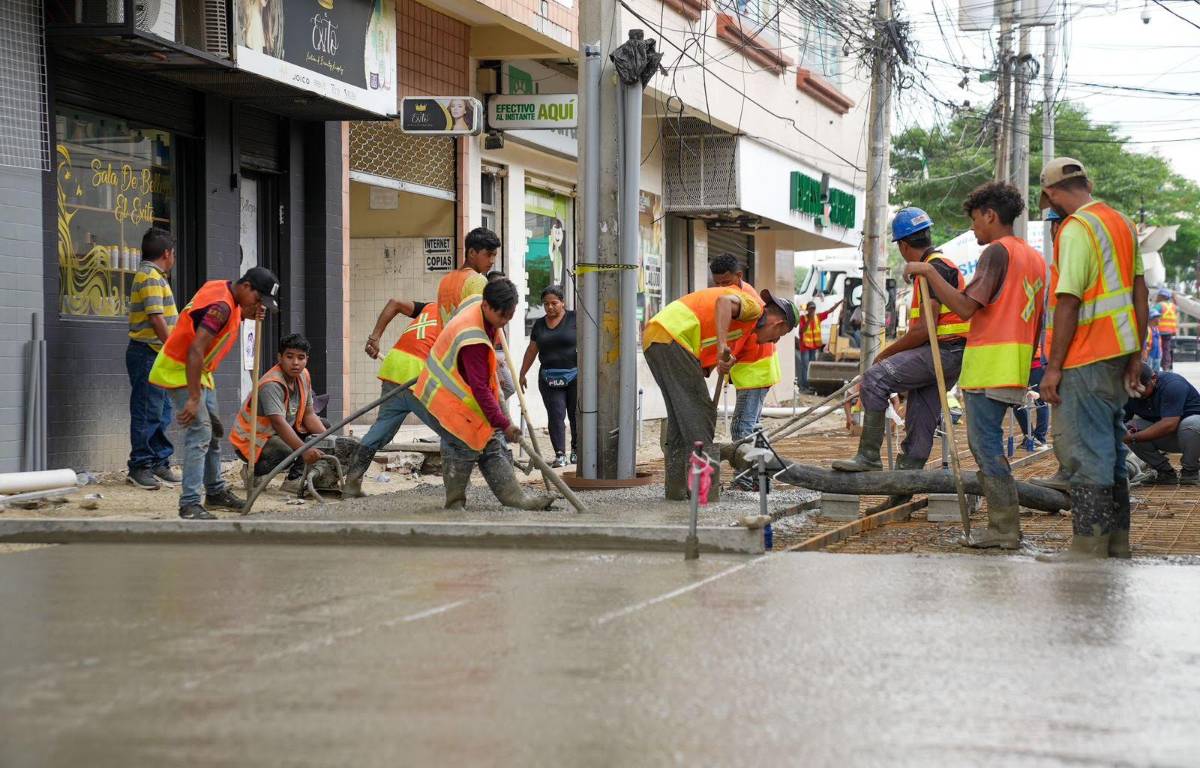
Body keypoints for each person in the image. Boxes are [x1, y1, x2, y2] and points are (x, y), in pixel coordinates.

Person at [905, 181, 1046, 549]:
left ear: (990, 215)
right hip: (1014, 365)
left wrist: (929, 273)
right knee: (991, 445)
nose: (973, 228)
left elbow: (966, 307)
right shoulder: (1032, 257)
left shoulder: (997, 253)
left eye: (975, 220)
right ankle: (1005, 527)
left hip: (990, 365)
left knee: (985, 447)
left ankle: (1003, 529)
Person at [1036, 157, 1148, 561]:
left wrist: (1053, 366)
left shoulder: (1076, 228)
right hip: (1117, 353)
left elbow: (1068, 299)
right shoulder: (1120, 223)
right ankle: (1116, 543)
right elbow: (1140, 292)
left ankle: (1088, 546)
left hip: (1085, 355)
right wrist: (1136, 353)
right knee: (1112, 451)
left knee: (1087, 450)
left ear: (1051, 194)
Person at [833, 206, 969, 514]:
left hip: (943, 351)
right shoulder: (940, 264)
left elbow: (926, 328)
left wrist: (885, 354)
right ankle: (902, 493)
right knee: (920, 422)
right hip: (950, 355)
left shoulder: (930, 268)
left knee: (877, 376)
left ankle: (868, 455)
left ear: (904, 245)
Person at [346, 235, 499, 496]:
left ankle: (352, 482)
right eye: (490, 255)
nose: (492, 261)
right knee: (451, 427)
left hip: (394, 370)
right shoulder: (460, 314)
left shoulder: (431, 307)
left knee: (381, 429)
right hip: (420, 374)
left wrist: (374, 337)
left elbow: (394, 302)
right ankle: (458, 486)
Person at [643, 285, 799, 501]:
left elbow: (705, 353)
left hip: (658, 338)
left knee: (680, 421)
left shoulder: (742, 330)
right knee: (701, 418)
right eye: (778, 336)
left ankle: (676, 491)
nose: (774, 341)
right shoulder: (755, 309)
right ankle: (705, 495)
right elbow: (724, 302)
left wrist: (719, 362)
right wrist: (722, 347)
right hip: (673, 338)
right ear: (778, 323)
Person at [149, 267, 278, 519]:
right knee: (200, 432)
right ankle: (189, 503)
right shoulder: (221, 307)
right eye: (258, 299)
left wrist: (248, 312)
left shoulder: (226, 293)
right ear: (247, 287)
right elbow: (195, 349)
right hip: (181, 369)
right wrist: (194, 397)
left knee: (213, 434)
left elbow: (225, 320)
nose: (257, 305)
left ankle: (215, 491)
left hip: (199, 371)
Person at [413, 277, 553, 510]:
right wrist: (503, 422)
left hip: (466, 392)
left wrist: (499, 421)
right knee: (462, 446)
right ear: (487, 306)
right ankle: (455, 504)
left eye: (509, 317)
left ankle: (516, 498)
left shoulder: (477, 301)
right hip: (448, 398)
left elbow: (482, 385)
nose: (504, 323)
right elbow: (478, 388)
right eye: (501, 317)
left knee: (492, 446)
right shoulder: (472, 339)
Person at [230, 333, 327, 488]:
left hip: (278, 433)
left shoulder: (304, 375)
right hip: (253, 441)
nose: (295, 363)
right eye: (289, 357)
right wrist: (304, 450)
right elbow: (279, 423)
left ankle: (294, 479)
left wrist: (328, 440)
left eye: (301, 358)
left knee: (324, 428)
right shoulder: (271, 384)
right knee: (286, 450)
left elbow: (309, 414)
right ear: (279, 358)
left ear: (306, 359)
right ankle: (253, 473)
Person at [126, 227, 180, 490]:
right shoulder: (149, 276)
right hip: (149, 352)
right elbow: (156, 316)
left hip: (158, 355)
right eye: (174, 254)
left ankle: (159, 461)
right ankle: (140, 466)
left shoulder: (156, 276)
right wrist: (172, 348)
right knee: (147, 411)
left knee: (162, 411)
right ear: (167, 253)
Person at [707, 255, 779, 446]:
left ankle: (745, 476)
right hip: (752, 369)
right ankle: (761, 472)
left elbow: (747, 334)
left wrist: (727, 358)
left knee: (742, 428)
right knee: (753, 426)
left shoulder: (745, 297)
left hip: (754, 369)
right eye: (718, 283)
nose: (723, 287)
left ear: (739, 275)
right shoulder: (736, 294)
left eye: (727, 282)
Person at [519, 285, 577, 467]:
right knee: (556, 415)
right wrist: (522, 373)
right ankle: (560, 454)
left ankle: (576, 450)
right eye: (546, 304)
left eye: (554, 303)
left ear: (563, 303)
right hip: (549, 378)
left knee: (576, 415)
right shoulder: (539, 325)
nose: (550, 307)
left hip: (575, 375)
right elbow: (532, 350)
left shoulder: (575, 319)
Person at [1123, 364, 1200, 485]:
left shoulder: (1173, 385)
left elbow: (1169, 424)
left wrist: (1133, 438)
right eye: (1134, 390)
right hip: (1166, 437)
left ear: (1153, 378)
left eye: (1142, 388)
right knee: (1129, 428)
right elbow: (1118, 422)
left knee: (1192, 425)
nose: (1138, 393)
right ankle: (1165, 472)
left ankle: (1191, 471)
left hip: (1192, 438)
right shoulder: (1129, 393)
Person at [436, 227, 497, 324]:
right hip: (467, 338)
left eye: (494, 255)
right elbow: (482, 323)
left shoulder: (445, 279)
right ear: (472, 253)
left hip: (445, 338)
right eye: (488, 255)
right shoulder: (477, 280)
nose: (492, 261)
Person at [795, 300, 840, 393]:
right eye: (810, 309)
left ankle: (810, 385)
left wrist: (838, 303)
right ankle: (804, 387)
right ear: (807, 309)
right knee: (805, 367)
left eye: (813, 309)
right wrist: (809, 321)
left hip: (813, 347)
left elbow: (829, 311)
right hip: (805, 347)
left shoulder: (818, 317)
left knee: (812, 367)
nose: (812, 310)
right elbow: (802, 331)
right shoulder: (803, 318)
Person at [1154, 287, 1178, 370]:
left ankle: (1156, 367)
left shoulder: (1159, 305)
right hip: (1169, 332)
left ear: (1162, 296)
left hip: (1159, 331)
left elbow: (1151, 314)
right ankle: (1166, 367)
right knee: (1166, 349)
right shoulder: (1173, 306)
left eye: (1158, 295)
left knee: (1157, 349)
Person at [1145, 308, 1163, 373]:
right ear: (1151, 319)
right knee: (1149, 373)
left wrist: (1160, 353)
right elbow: (1146, 343)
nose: (1159, 319)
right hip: (1150, 355)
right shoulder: (1147, 329)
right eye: (1156, 318)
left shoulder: (1156, 329)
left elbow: (1159, 342)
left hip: (1157, 355)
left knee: (1156, 373)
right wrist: (1145, 354)